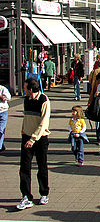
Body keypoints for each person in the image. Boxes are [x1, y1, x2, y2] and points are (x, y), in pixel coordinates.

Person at [17, 78, 51, 210]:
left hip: (40, 138)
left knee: (42, 166)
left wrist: (33, 138)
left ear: (31, 89)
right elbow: (26, 118)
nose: (23, 90)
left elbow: (43, 123)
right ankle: (26, 196)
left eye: (25, 88)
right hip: (26, 136)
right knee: (24, 168)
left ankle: (44, 193)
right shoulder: (26, 100)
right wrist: (24, 134)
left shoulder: (44, 101)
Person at [0, 84, 12, 152]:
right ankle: (1, 145)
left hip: (3, 111)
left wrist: (2, 97)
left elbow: (8, 97)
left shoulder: (2, 88)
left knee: (1, 130)